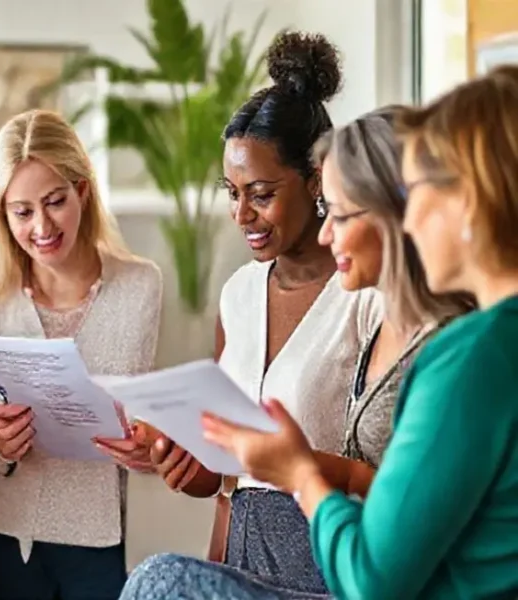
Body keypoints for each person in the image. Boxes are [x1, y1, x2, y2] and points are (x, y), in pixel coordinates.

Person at [156, 63, 518, 600]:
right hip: (300, 545)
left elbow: (372, 578)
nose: (411, 220)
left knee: (163, 581)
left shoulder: (470, 356)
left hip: (337, 562)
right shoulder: (481, 347)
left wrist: (301, 472)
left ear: (470, 204)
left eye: (418, 194)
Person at [145, 31, 380, 593]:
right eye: (232, 191)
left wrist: (295, 466)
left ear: (316, 180)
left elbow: (397, 484)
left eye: (262, 192)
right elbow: (225, 475)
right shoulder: (239, 294)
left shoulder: (366, 298)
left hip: (325, 554)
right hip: (241, 551)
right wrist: (190, 467)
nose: (241, 213)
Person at [0, 109, 162, 599]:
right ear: (1, 213)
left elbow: (147, 425)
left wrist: (147, 447)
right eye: (22, 211)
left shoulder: (140, 284)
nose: (41, 226)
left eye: (55, 202)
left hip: (106, 538)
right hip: (14, 539)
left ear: (83, 191)